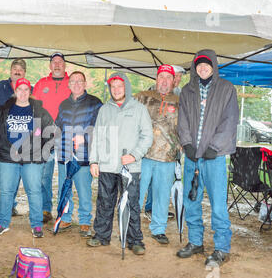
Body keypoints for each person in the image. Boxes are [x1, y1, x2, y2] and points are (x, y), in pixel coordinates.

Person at [177, 50, 239, 266]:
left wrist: (215, 146)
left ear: (213, 66)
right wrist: (186, 143)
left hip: (215, 157)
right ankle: (195, 242)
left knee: (218, 204)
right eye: (199, 66)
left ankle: (222, 248)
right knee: (191, 200)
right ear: (195, 68)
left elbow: (230, 120)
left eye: (206, 65)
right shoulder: (187, 90)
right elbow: (182, 119)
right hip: (192, 156)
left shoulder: (226, 89)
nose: (202, 69)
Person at [87, 72, 153, 255]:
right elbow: (97, 137)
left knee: (131, 203)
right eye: (113, 86)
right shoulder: (104, 110)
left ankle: (134, 240)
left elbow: (147, 136)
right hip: (107, 165)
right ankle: (101, 235)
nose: (116, 90)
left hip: (129, 167)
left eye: (119, 86)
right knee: (104, 201)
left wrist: (134, 155)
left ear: (126, 87)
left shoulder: (139, 109)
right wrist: (94, 160)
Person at [0, 78, 54, 238]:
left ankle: (36, 225)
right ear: (15, 91)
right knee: (7, 191)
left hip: (32, 159)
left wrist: (42, 153)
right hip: (7, 157)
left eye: (26, 89)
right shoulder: (3, 110)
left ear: (30, 92)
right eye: (20, 89)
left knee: (34, 191)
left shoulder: (39, 111)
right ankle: (2, 223)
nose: (23, 93)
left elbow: (50, 134)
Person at [136, 64, 181, 245]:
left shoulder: (180, 101)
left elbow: (187, 127)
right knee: (136, 193)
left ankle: (158, 228)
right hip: (142, 155)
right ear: (156, 79)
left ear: (173, 81)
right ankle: (132, 226)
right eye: (161, 77)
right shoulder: (142, 98)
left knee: (162, 194)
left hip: (168, 157)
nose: (164, 81)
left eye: (168, 78)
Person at [54, 71, 102, 238]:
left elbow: (99, 128)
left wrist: (85, 136)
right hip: (65, 154)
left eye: (79, 81)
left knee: (83, 189)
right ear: (68, 84)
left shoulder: (95, 103)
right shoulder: (63, 104)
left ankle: (84, 220)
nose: (76, 84)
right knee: (64, 187)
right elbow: (58, 125)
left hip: (84, 155)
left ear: (85, 83)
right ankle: (66, 217)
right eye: (73, 81)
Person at [0, 59, 32, 217]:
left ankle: (10, 205)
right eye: (15, 69)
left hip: (18, 140)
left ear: (24, 73)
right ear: (10, 71)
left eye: (21, 69)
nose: (17, 71)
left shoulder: (30, 89)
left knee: (14, 175)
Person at [32, 52, 71, 224]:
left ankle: (64, 213)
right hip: (44, 135)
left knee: (65, 176)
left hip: (66, 135)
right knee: (44, 175)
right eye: (54, 62)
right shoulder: (41, 84)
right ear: (50, 66)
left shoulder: (73, 83)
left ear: (65, 65)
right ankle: (45, 209)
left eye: (60, 62)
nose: (57, 64)